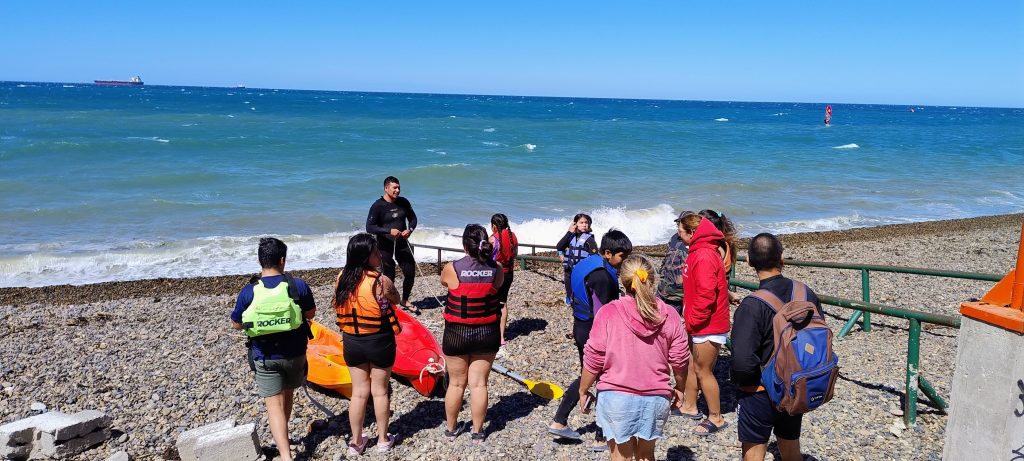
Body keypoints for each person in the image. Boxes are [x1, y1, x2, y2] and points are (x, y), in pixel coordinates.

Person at [579, 255, 690, 461]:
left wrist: (583, 389)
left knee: (621, 456)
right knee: (646, 455)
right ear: (652, 279)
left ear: (623, 280)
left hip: (616, 396)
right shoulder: (668, 314)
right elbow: (680, 359)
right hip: (656, 397)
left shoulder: (608, 313)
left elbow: (594, 358)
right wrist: (681, 389)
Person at [731, 233, 823, 461]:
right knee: (790, 444)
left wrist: (745, 384)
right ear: (782, 258)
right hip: (797, 384)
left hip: (760, 391)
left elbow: (742, 362)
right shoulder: (805, 293)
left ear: (749, 262)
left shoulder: (752, 305)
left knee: (754, 449)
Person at [230, 238, 316, 461]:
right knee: (287, 394)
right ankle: (283, 437)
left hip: (265, 356)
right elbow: (310, 314)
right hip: (295, 354)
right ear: (282, 260)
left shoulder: (249, 291)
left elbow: (237, 323)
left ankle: (286, 455)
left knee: (273, 405)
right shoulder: (297, 286)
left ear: (260, 261)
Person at [548, 229, 632, 451]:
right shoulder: (603, 277)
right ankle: (601, 437)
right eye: (622, 257)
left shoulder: (590, 262)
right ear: (607, 253)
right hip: (595, 333)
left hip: (580, 326)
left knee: (587, 374)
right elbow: (605, 314)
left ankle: (560, 420)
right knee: (605, 380)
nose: (624, 262)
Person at [332, 233, 403, 455]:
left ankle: (356, 442)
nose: (379, 255)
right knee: (380, 392)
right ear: (365, 257)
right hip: (379, 341)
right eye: (375, 253)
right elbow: (397, 299)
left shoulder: (341, 277)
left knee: (359, 393)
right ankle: (383, 440)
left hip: (353, 342)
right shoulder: (381, 282)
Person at [440, 224, 504, 442]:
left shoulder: (453, 268)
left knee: (456, 383)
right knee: (479, 384)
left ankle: (451, 428)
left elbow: (445, 283)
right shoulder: (496, 268)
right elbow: (498, 288)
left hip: (456, 333)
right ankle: (477, 431)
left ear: (464, 244)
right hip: (487, 332)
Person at [677, 214, 731, 436]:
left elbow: (707, 295)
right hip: (699, 322)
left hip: (708, 325)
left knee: (703, 370)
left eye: (681, 231)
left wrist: (692, 320)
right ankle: (689, 405)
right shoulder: (697, 251)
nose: (678, 235)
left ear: (692, 232)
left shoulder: (705, 255)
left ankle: (716, 417)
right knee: (692, 365)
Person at [365, 176, 420, 313]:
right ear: (386, 188)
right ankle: (390, 302)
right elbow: (370, 227)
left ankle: (405, 299)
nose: (397, 190)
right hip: (385, 245)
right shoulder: (378, 206)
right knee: (389, 276)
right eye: (394, 187)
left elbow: (413, 219)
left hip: (402, 242)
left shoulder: (403, 202)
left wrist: (410, 230)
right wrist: (388, 231)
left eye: (399, 187)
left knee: (410, 272)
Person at [555, 213, 598, 305]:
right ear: (575, 224)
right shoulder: (571, 236)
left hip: (582, 269)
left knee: (581, 286)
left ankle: (582, 301)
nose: (584, 224)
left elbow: (594, 255)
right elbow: (559, 246)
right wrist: (560, 254)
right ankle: (569, 297)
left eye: (586, 222)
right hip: (569, 267)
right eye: (581, 222)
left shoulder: (589, 239)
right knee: (568, 284)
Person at [489, 213, 519, 345]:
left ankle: (490, 332)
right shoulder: (513, 236)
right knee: (503, 303)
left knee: (490, 302)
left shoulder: (492, 239)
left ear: (494, 225)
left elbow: (487, 259)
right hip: (508, 273)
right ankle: (501, 337)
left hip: (495, 274)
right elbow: (515, 254)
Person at [657, 212, 691, 312]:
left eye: (681, 224)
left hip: (678, 295)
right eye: (678, 224)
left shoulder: (694, 243)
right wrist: (662, 273)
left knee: (670, 321)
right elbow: (667, 258)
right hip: (662, 288)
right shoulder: (674, 238)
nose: (678, 227)